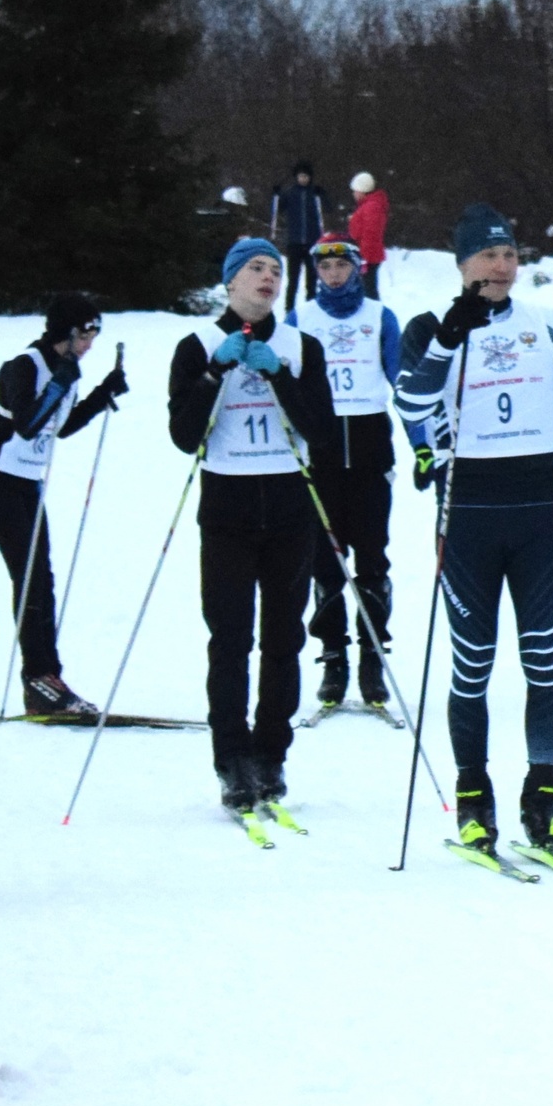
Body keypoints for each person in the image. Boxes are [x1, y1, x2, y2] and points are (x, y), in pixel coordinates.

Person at [394, 205, 553, 870]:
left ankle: (542, 797)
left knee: (542, 658)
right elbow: (410, 405)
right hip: (467, 506)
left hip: (537, 509)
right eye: (487, 256)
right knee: (471, 662)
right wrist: (448, 338)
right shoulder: (427, 328)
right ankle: (474, 799)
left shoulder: (540, 323)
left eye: (509, 255)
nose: (501, 267)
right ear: (463, 264)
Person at [168, 240, 337, 816]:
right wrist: (216, 372)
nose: (268, 278)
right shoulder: (196, 346)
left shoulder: (300, 345)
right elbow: (184, 435)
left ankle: (271, 752)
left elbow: (321, 426)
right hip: (228, 503)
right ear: (230, 281)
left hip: (290, 500)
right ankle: (231, 757)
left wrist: (280, 377)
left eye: (275, 270)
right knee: (231, 638)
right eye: (255, 269)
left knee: (285, 636)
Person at [0, 293, 126, 717]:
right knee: (31, 574)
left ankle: (43, 677)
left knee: (40, 577)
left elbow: (61, 427)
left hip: (26, 482)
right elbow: (27, 422)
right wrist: (61, 384)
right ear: (65, 332)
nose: (91, 341)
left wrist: (99, 394)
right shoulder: (24, 365)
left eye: (95, 333)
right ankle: (40, 678)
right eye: (85, 332)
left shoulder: (65, 370)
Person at [286, 234, 406, 714]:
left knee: (373, 554)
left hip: (371, 434)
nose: (334, 275)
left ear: (356, 268)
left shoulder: (379, 316)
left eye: (342, 267)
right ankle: (333, 655)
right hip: (322, 441)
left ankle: (373, 655)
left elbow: (401, 380)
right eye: (325, 268)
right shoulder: (302, 319)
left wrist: (422, 443)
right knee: (324, 556)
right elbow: (288, 383)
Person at [268, 160, 330, 307]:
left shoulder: (314, 194)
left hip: (312, 242)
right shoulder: (290, 193)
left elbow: (327, 208)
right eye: (301, 176)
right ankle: (289, 308)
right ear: (296, 177)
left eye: (306, 177)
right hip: (294, 242)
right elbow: (276, 211)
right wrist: (275, 195)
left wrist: (323, 195)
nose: (303, 179)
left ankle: (312, 306)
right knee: (293, 280)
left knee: (312, 279)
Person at [346, 172, 389, 300]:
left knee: (368, 291)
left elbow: (370, 235)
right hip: (367, 254)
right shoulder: (368, 206)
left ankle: (374, 316)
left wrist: (364, 259)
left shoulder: (371, 207)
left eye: (355, 191)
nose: (353, 194)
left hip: (368, 256)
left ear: (362, 190)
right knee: (367, 289)